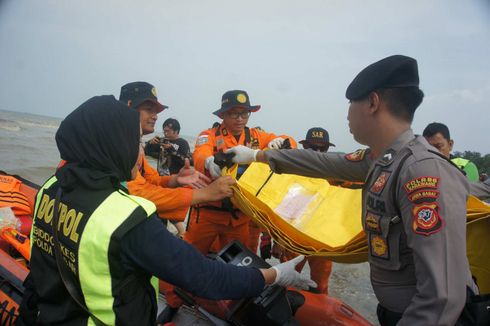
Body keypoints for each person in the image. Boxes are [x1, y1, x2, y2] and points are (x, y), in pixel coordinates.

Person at [18, 95, 315, 325]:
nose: (139, 152)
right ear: (111, 145)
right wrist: (276, 274)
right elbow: (206, 278)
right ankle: (172, 304)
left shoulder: (52, 187)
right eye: (135, 142)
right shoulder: (125, 218)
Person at [227, 55, 478, 325]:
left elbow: (442, 298)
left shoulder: (423, 172)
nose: (346, 114)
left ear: (372, 102)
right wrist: (256, 156)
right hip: (397, 311)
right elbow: (324, 162)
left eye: (350, 103)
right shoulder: (384, 160)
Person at [161, 90, 296, 321]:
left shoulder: (257, 137)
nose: (239, 119)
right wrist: (210, 161)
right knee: (187, 259)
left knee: (242, 267)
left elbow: (289, 141)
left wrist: (279, 143)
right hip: (208, 215)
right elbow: (201, 154)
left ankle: (234, 310)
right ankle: (172, 303)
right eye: (233, 114)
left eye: (244, 113)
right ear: (223, 115)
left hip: (239, 218)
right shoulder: (209, 135)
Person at [119, 81, 232, 223]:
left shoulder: (137, 142)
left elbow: (151, 178)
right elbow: (138, 191)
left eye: (156, 112)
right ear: (129, 107)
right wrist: (203, 194)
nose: (155, 116)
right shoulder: (120, 143)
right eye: (149, 109)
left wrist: (175, 179)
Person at [273, 127, 335, 294]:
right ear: (304, 147)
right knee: (286, 282)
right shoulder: (291, 169)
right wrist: (275, 239)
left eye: (323, 148)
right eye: (313, 147)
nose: (318, 151)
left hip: (322, 239)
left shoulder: (336, 172)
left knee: (321, 287)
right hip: (294, 238)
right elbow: (277, 204)